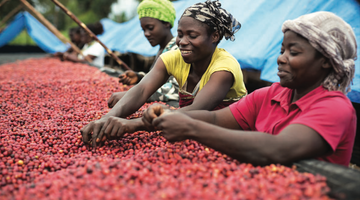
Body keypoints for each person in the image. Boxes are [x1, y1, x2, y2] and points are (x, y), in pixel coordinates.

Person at [140, 11, 357, 167]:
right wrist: (168, 115)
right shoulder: (269, 95)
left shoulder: (335, 107)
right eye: (282, 50)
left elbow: (277, 149)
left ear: (327, 61)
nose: (281, 58)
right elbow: (215, 119)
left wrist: (191, 128)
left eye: (294, 52)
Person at [81, 0, 247, 148]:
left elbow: (196, 110)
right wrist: (107, 118)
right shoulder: (173, 58)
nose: (182, 42)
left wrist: (133, 125)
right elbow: (141, 90)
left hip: (230, 138)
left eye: (192, 35)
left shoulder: (224, 68)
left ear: (214, 36)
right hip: (189, 132)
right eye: (180, 34)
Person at [108, 0, 179, 108]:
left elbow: (175, 90)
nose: (146, 34)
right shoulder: (162, 49)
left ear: (166, 23)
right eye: (143, 30)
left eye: (150, 28)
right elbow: (162, 79)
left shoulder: (177, 50)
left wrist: (132, 95)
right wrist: (139, 77)